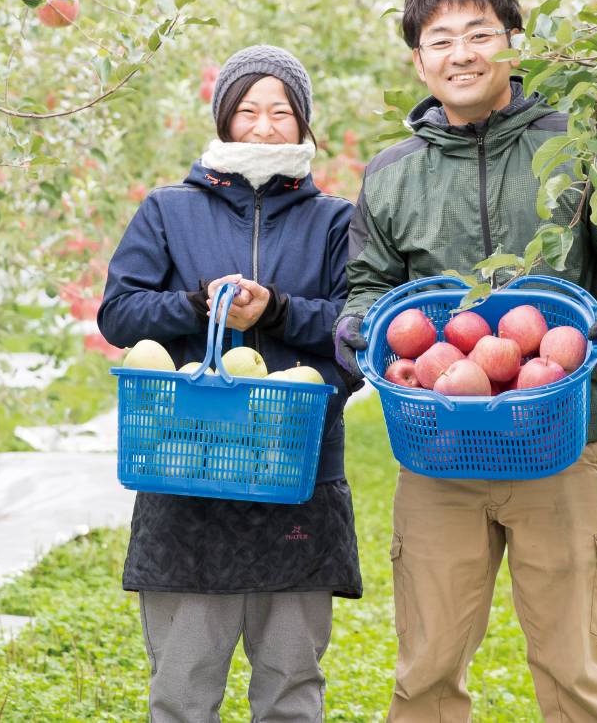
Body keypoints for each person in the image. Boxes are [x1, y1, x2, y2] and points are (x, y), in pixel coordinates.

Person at [333, 0, 597, 723]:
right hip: (436, 448)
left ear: (514, 42)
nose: (462, 53)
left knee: (574, 665)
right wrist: (357, 327)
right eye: (440, 38)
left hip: (557, 439)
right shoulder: (392, 175)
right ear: (418, 60)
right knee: (426, 667)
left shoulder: (579, 143)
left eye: (480, 33)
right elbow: (368, 283)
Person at [98, 44, 363, 723]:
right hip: (186, 468)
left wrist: (274, 309)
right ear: (222, 118)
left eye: (281, 111)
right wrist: (196, 304)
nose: (264, 125)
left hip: (296, 470)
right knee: (183, 687)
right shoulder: (166, 210)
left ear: (302, 124)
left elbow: (356, 332)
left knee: (290, 684)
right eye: (247, 109)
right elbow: (119, 312)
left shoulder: (335, 220)